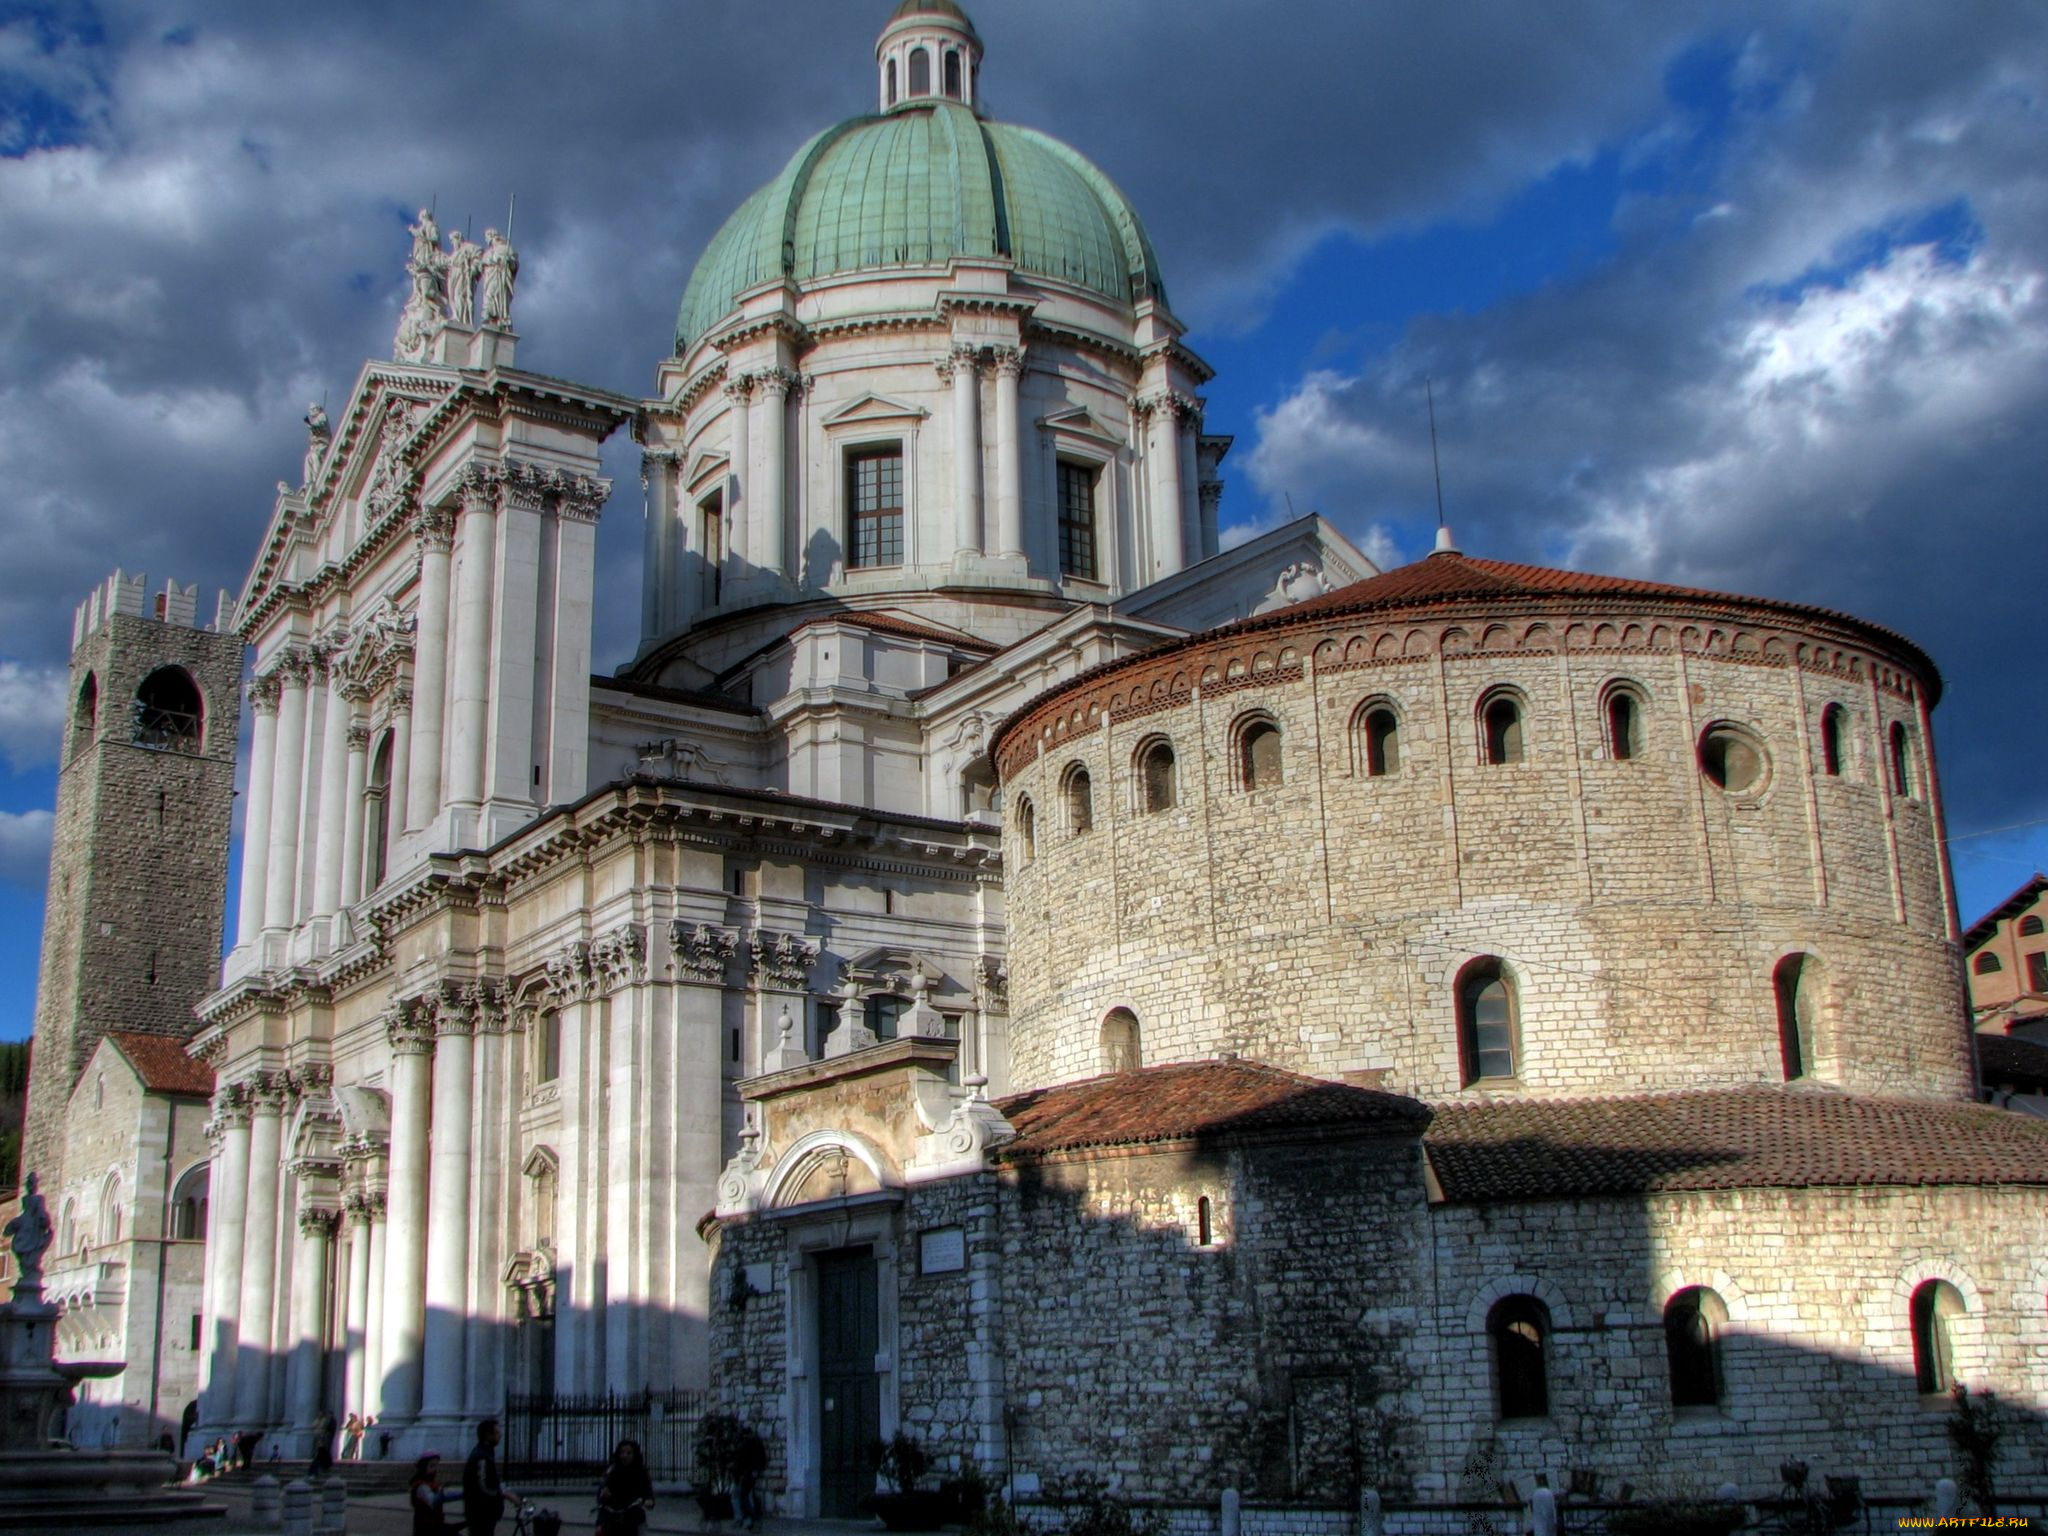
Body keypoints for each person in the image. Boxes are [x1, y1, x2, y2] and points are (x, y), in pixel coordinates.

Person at [595, 1438, 654, 1536]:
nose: (624, 1456)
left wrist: (649, 1500)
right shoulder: (612, 1470)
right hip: (612, 1514)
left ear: (635, 1455)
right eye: (622, 1452)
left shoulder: (640, 1472)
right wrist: (604, 1493)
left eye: (629, 1453)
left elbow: (647, 1489)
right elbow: (603, 1487)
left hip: (632, 1514)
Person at [462, 1417, 506, 1536]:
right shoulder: (481, 1456)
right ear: (488, 1435)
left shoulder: (486, 1453)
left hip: (483, 1511)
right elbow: (482, 1485)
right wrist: (502, 1494)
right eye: (497, 1432)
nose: (500, 1435)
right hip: (481, 1512)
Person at [411, 1451, 464, 1535]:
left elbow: (444, 1492)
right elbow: (433, 1500)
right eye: (431, 1466)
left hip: (435, 1524)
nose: (435, 1469)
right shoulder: (420, 1486)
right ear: (423, 1467)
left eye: (436, 1466)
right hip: (426, 1528)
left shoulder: (431, 1484)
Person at [734, 1423, 767, 1530]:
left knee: (743, 1495)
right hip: (753, 1472)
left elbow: (741, 1459)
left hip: (748, 1472)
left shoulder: (746, 1444)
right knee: (749, 1494)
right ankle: (753, 1516)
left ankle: (752, 1516)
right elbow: (763, 1458)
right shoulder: (756, 1442)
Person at [309, 1407, 336, 1475]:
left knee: (323, 1448)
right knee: (318, 1447)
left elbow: (324, 1427)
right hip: (319, 1434)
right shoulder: (319, 1420)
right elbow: (313, 1425)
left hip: (322, 1434)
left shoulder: (326, 1420)